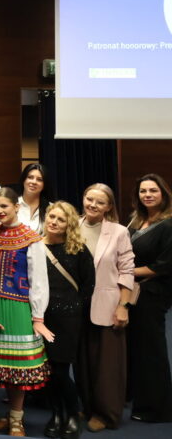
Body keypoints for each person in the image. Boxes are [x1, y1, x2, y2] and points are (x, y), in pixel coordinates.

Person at [0, 187, 51, 437]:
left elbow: (38, 280)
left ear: (16, 207)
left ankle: (16, 419)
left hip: (18, 306)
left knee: (18, 366)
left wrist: (38, 315)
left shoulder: (31, 238)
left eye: (4, 206)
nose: (0, 211)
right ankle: (9, 414)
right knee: (0, 364)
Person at [77, 183, 134, 431]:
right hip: (77, 305)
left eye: (100, 202)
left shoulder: (119, 232)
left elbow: (127, 271)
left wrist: (124, 306)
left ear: (109, 206)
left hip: (107, 305)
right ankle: (89, 407)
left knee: (107, 364)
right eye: (89, 199)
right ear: (83, 198)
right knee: (82, 361)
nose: (93, 205)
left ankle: (107, 414)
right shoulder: (73, 226)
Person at [41, 201, 95, 439]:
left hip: (68, 318)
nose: (54, 222)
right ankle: (56, 414)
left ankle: (73, 414)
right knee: (48, 370)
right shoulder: (35, 246)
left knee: (61, 370)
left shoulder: (78, 249)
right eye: (52, 217)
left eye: (61, 220)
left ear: (69, 225)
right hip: (41, 317)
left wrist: (74, 307)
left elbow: (88, 284)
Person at [126, 173, 172, 423]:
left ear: (163, 193)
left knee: (151, 350)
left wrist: (125, 272)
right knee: (135, 347)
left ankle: (157, 408)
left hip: (153, 293)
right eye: (143, 191)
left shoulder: (169, 224)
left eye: (153, 190)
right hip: (132, 292)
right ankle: (136, 397)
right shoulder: (136, 220)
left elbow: (163, 266)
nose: (148, 195)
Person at [18, 164, 51, 235]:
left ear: (44, 185)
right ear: (23, 180)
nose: (34, 182)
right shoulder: (12, 205)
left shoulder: (52, 209)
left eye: (39, 179)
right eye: (30, 177)